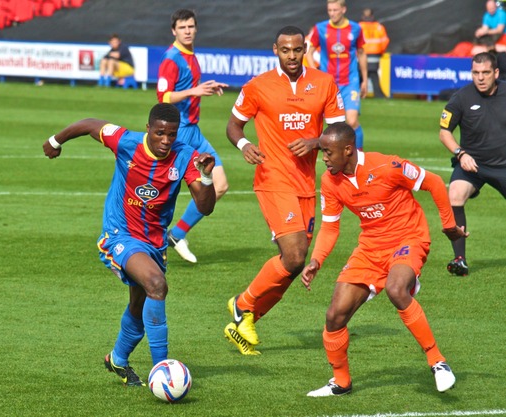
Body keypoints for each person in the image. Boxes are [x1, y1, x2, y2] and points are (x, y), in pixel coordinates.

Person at [42, 103, 216, 386]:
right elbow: (89, 123)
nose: (165, 141)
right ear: (148, 129)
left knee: (140, 304)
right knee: (157, 285)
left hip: (154, 243)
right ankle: (163, 370)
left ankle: (117, 359)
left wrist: (206, 177)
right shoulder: (125, 141)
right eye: (160, 133)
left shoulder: (185, 156)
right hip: (119, 235)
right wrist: (55, 141)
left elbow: (205, 207)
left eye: (171, 135)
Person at [301, 122, 468, 397]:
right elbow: (330, 226)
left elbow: (435, 183)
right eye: (323, 152)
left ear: (348, 150)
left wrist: (449, 225)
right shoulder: (330, 180)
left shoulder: (387, 166)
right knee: (334, 316)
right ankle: (341, 382)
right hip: (370, 248)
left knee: (395, 289)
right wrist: (317, 260)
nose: (324, 158)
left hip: (408, 238)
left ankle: (437, 362)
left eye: (329, 152)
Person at [224, 25, 346, 355]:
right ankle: (241, 304)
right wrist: (245, 144)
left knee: (292, 266)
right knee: (294, 256)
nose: (291, 56)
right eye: (285, 50)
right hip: (273, 178)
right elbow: (233, 125)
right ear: (274, 50)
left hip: (306, 184)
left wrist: (316, 141)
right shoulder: (257, 86)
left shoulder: (324, 83)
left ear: (305, 49)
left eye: (296, 50)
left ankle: (246, 319)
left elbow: (339, 131)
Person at [157, 8, 229, 263]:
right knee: (166, 192)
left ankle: (176, 235)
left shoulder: (191, 56)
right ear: (173, 31)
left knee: (220, 185)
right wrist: (195, 91)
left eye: (190, 27)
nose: (187, 31)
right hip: (180, 135)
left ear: (195, 28)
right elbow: (163, 98)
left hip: (194, 132)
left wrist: (205, 86)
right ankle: (153, 242)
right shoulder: (172, 59)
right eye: (182, 27)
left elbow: (189, 88)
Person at [439, 52, 506, 276]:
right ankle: (460, 259)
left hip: (503, 165)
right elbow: (444, 132)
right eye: (476, 73)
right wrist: (460, 153)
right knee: (454, 195)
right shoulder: (461, 98)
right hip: (473, 165)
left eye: (485, 72)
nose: (480, 78)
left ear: (495, 73)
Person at [307, 0, 368, 150]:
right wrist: (315, 73)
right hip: (329, 84)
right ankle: (334, 155)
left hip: (350, 82)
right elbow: (309, 52)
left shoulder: (355, 28)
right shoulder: (320, 28)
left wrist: (365, 80)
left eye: (335, 10)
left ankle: (359, 156)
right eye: (330, 10)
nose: (332, 13)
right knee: (331, 124)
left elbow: (361, 53)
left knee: (352, 122)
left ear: (343, 9)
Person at [358, 7, 390, 98]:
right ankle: (379, 95)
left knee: (360, 73)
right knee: (372, 74)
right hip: (374, 55)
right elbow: (385, 41)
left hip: (362, 54)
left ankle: (354, 93)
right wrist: (381, 51)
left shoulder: (359, 26)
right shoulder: (379, 27)